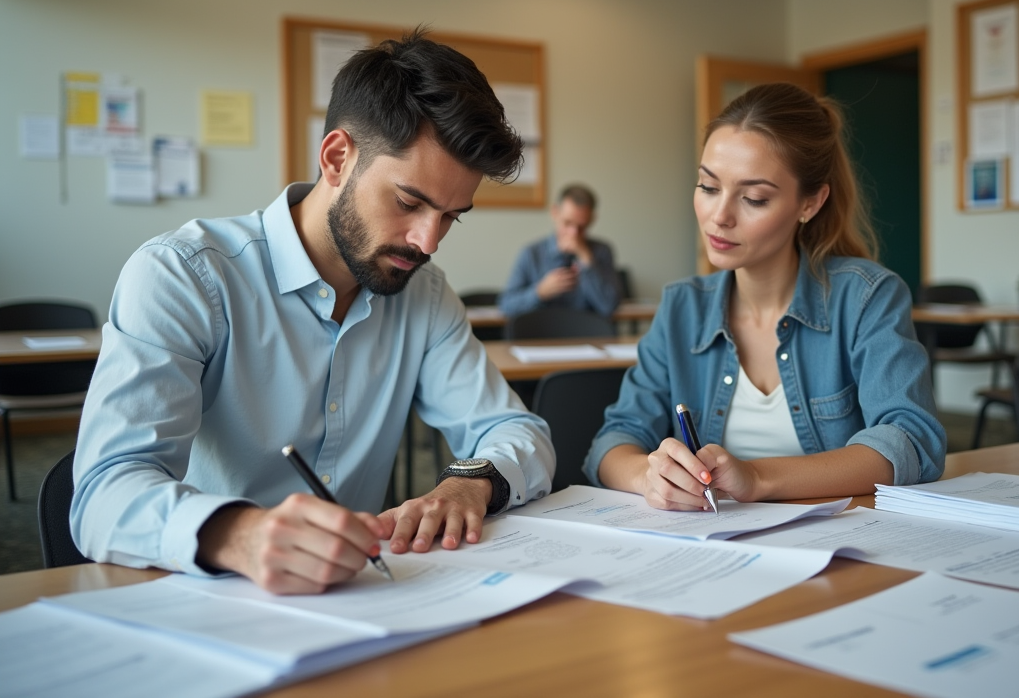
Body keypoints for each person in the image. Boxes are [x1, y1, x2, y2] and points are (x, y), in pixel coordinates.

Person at [72, 30, 555, 595]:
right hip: (198, 594)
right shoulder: (183, 276)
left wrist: (471, 482)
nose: (427, 241)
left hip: (358, 600)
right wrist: (241, 534)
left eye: (451, 216)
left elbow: (519, 432)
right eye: (408, 202)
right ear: (336, 158)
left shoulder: (424, 294)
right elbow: (103, 494)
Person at [583, 83, 944, 510]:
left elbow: (911, 439)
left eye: (754, 198)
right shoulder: (683, 307)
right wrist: (651, 476)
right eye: (708, 186)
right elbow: (613, 442)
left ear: (810, 203)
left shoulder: (866, 297)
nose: (719, 217)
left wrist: (757, 477)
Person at [497, 184, 623, 317]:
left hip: (587, 334)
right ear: (555, 212)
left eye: (581, 227)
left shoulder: (601, 251)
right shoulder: (531, 254)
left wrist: (586, 260)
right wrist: (539, 293)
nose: (573, 233)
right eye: (567, 223)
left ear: (592, 219)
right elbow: (506, 306)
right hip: (542, 333)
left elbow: (610, 306)